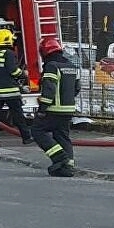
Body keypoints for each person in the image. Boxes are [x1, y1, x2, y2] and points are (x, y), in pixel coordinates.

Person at [29, 37, 80, 177]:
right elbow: (77, 88)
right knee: (62, 136)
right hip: (68, 109)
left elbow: (49, 89)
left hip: (54, 109)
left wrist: (42, 109)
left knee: (37, 131)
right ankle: (67, 167)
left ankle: (59, 157)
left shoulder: (52, 66)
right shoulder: (71, 66)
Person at [0, 25, 29, 144]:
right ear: (8, 40)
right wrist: (24, 74)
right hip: (10, 92)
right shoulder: (8, 53)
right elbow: (13, 71)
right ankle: (27, 137)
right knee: (18, 115)